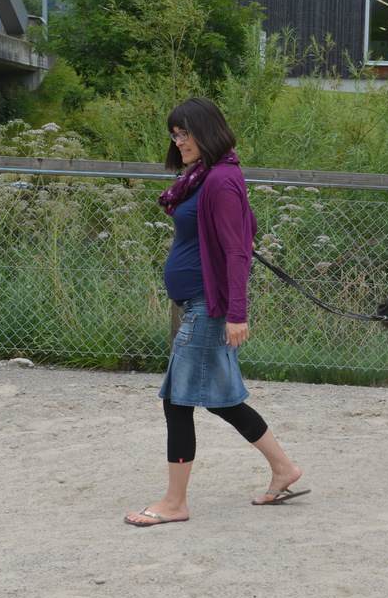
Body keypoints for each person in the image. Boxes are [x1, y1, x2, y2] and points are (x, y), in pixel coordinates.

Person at [125, 97, 308, 527]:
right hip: (198, 304)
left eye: (185, 133)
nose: (178, 141)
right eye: (174, 134)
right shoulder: (204, 176)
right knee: (222, 401)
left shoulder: (221, 179)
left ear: (206, 131)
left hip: (207, 308)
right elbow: (242, 228)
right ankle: (284, 469)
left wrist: (236, 314)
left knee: (178, 402)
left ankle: (175, 503)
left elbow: (237, 251)